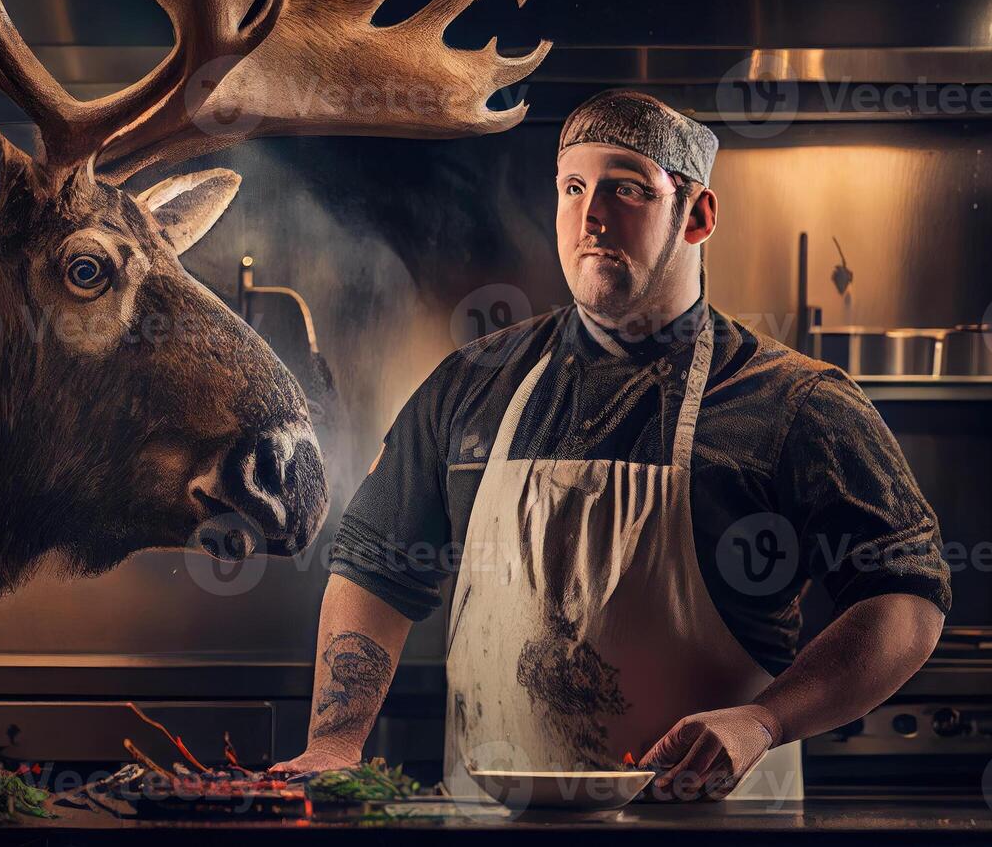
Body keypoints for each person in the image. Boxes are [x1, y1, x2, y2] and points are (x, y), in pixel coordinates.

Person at [272, 90, 950, 801]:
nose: (591, 215)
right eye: (573, 187)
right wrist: (334, 742)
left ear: (699, 216)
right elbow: (374, 569)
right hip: (493, 826)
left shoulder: (797, 404)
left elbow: (906, 599)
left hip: (715, 827)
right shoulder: (471, 385)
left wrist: (766, 718)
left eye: (627, 188)